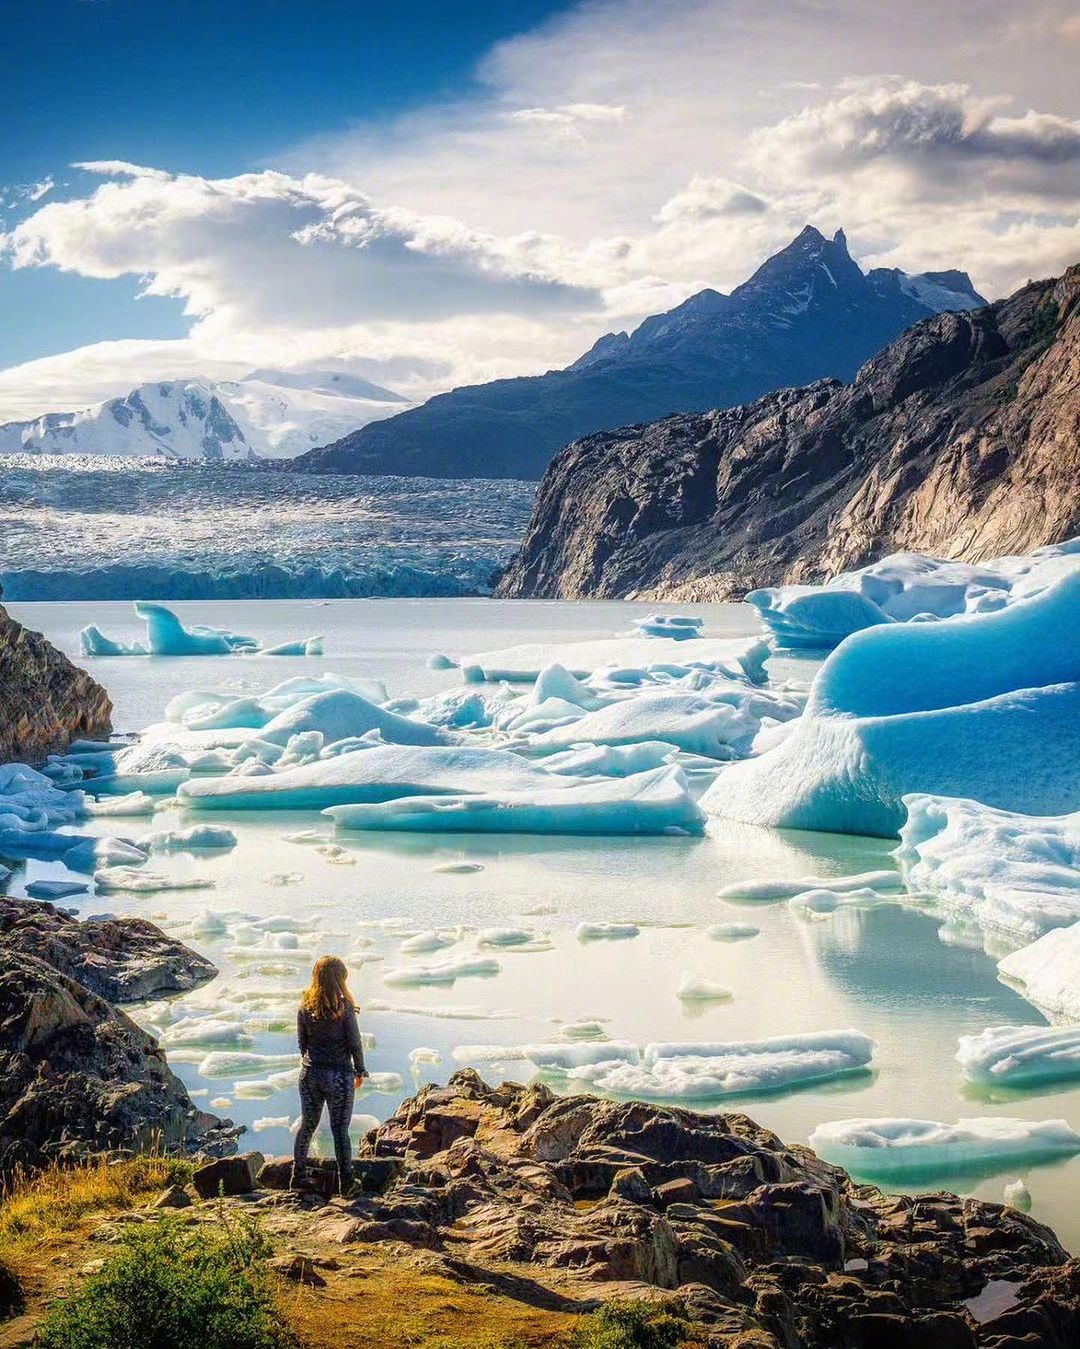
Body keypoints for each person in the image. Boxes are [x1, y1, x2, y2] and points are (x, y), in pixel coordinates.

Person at [291, 955, 367, 1194]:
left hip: (310, 1074)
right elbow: (355, 1043)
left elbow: (302, 1043)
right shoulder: (344, 1009)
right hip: (338, 1077)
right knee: (339, 1130)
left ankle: (298, 1177)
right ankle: (347, 1183)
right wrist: (359, 1070)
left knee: (307, 1126)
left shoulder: (305, 1007)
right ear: (340, 979)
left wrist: (312, 1062)